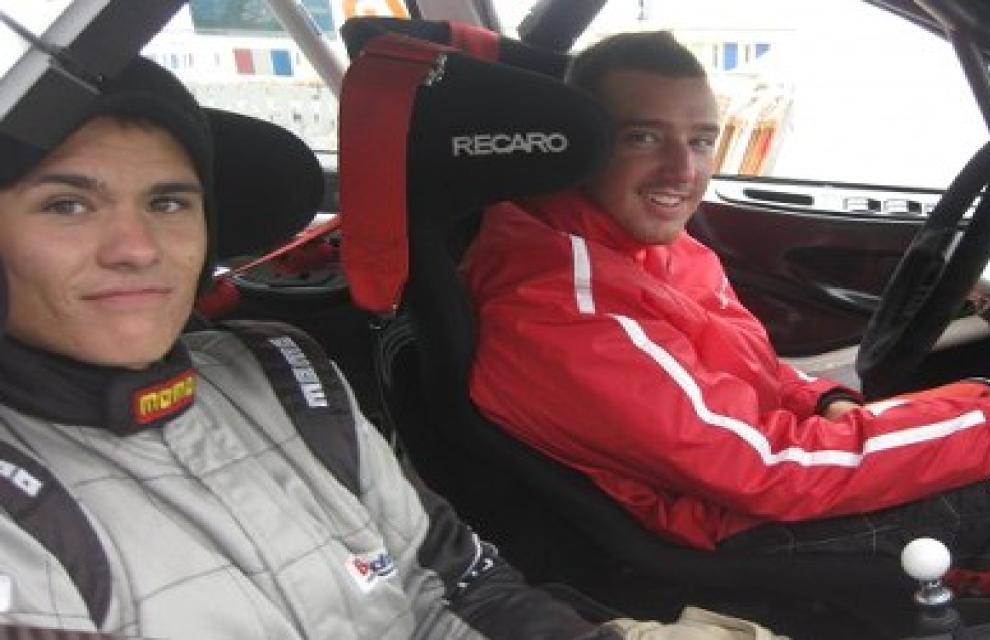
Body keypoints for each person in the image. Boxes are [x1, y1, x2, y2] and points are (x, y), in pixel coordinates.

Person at [463, 30, 990, 610]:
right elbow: (765, 468)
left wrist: (823, 401)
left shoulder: (647, 247)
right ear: (576, 141)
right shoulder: (562, 313)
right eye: (642, 136)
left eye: (701, 141)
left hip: (753, 478)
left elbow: (753, 377)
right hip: (723, 529)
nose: (682, 170)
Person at [0, 55, 623, 640]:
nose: (137, 248)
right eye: (68, 205)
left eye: (167, 202)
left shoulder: (282, 372)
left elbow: (458, 588)